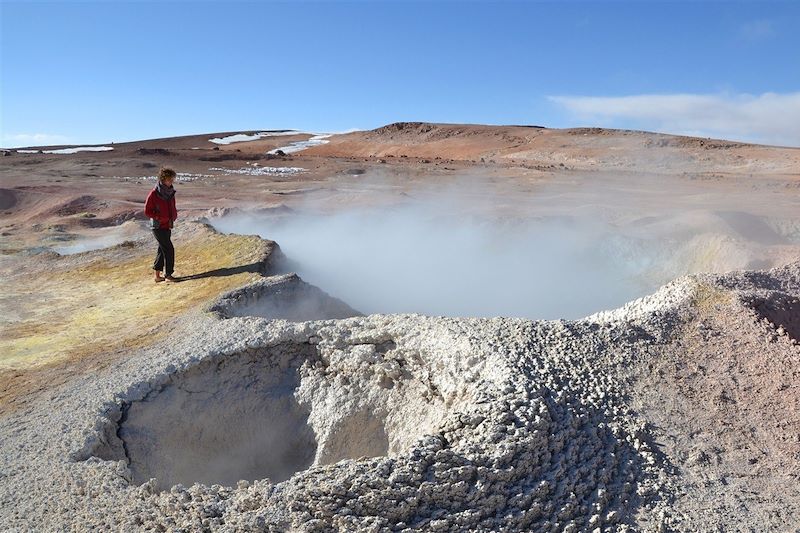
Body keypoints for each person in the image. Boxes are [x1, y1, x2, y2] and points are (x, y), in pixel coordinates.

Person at [144, 167, 178, 282]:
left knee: (161, 249)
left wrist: (173, 216)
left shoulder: (170, 192)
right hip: (158, 226)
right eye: (170, 179)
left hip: (167, 225)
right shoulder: (154, 193)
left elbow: (172, 206)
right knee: (169, 249)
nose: (171, 182)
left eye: (172, 179)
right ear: (163, 179)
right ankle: (168, 275)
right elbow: (147, 211)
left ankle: (157, 276)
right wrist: (159, 217)